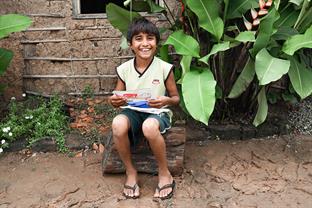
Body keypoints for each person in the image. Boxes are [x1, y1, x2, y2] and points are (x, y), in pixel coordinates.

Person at [108, 17, 180, 200]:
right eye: (138, 38)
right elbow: (118, 95)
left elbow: (176, 98)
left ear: (156, 43)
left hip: (157, 113)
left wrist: (166, 100)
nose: (145, 43)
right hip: (133, 111)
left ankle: (164, 173)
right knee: (117, 123)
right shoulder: (124, 69)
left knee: (149, 127)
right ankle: (131, 172)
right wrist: (115, 101)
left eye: (150, 38)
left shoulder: (164, 68)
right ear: (131, 44)